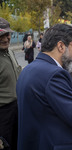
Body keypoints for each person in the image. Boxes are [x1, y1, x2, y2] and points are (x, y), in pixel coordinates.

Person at [0, 17, 22, 150]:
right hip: (3, 114)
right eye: (1, 35)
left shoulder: (10, 52)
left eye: (7, 34)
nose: (5, 38)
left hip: (17, 109)